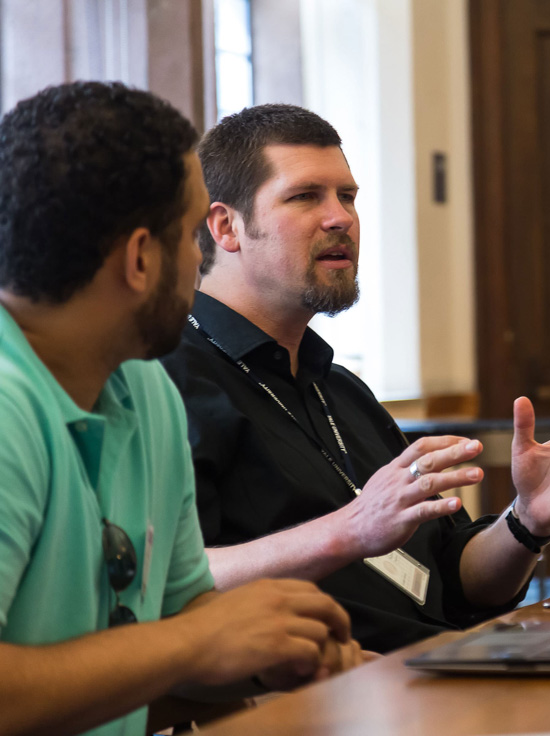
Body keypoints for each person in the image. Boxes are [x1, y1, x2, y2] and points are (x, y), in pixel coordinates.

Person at [159, 103, 550, 652]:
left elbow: (456, 583)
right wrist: (349, 529)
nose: (340, 218)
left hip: (448, 668)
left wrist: (527, 522)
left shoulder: (337, 387)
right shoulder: (168, 379)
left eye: (348, 197)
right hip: (324, 700)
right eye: (306, 196)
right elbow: (173, 582)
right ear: (226, 227)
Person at [0, 83, 363, 736]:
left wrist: (280, 654)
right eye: (190, 236)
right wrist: (199, 644)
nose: (203, 259)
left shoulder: (147, 391)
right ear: (141, 259)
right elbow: (184, 643)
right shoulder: (6, 408)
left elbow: (174, 632)